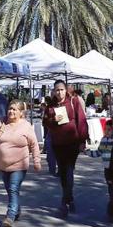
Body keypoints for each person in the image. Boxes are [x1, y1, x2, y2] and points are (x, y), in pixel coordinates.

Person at [0, 100, 41, 227]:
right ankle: (16, 210)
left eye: (14, 110)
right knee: (11, 190)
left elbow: (34, 144)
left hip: (19, 164)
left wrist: (37, 161)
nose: (11, 111)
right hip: (2, 165)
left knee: (13, 188)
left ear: (21, 113)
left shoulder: (26, 126)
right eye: (10, 109)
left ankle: (10, 216)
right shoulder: (1, 121)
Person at [43, 80, 88, 218]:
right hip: (57, 144)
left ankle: (65, 200)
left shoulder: (73, 102)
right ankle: (69, 197)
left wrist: (83, 140)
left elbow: (81, 121)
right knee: (63, 172)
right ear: (54, 91)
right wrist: (53, 120)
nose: (59, 92)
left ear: (65, 90)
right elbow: (45, 122)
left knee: (68, 170)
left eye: (61, 90)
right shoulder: (51, 105)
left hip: (72, 143)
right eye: (57, 90)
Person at [97, 123, 113, 217]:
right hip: (107, 168)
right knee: (110, 188)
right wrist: (86, 151)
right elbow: (98, 152)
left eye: (109, 129)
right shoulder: (103, 139)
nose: (107, 131)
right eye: (105, 129)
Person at [42, 96, 58, 176]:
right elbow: (44, 122)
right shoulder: (49, 108)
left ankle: (56, 169)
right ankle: (52, 169)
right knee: (51, 152)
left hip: (59, 133)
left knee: (53, 152)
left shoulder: (65, 106)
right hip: (51, 132)